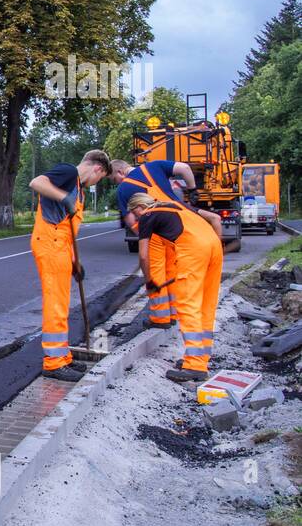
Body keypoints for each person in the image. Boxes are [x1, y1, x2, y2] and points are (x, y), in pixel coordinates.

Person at [27, 150, 111, 382]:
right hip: (50, 244)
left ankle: (62, 357)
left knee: (61, 304)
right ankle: (53, 363)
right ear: (97, 169)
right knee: (55, 303)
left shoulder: (79, 190)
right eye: (100, 178)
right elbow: (37, 182)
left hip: (61, 247)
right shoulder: (68, 172)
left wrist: (75, 261)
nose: (97, 182)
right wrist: (63, 198)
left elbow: (69, 232)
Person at [128, 193, 224, 382]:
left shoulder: (148, 215)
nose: (137, 218)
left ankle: (195, 365)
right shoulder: (177, 205)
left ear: (139, 207)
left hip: (193, 251)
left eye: (135, 214)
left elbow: (143, 256)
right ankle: (201, 357)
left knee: (188, 305)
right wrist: (215, 250)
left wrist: (149, 281)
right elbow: (215, 218)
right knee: (206, 305)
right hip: (214, 246)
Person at [109, 158, 198, 329]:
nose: (117, 182)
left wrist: (143, 233)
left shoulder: (123, 189)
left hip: (154, 232)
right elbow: (185, 168)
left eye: (114, 179)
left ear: (120, 172)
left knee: (156, 272)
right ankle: (173, 313)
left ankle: (160, 318)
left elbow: (129, 219)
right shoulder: (155, 166)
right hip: (175, 227)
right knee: (172, 270)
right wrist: (192, 190)